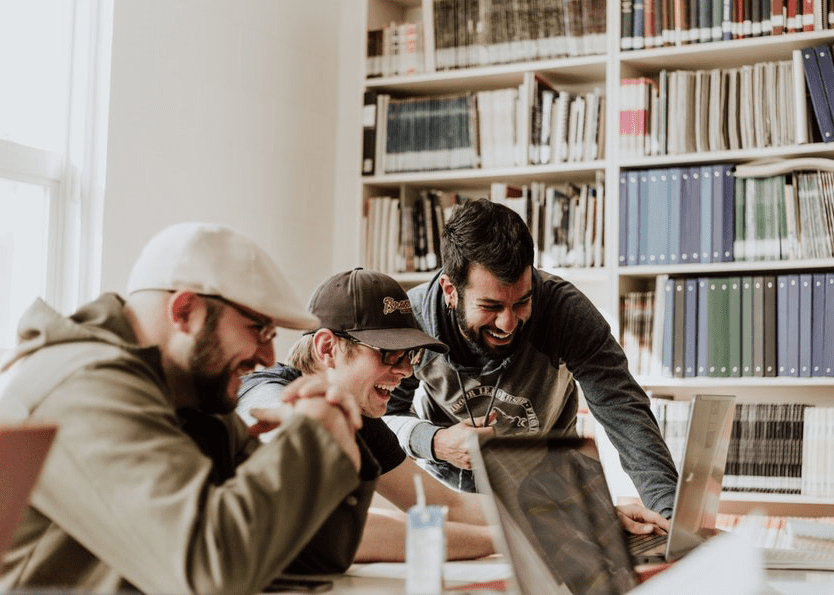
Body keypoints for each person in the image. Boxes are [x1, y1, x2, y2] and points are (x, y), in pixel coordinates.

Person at [0, 222, 376, 595]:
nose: (268, 357)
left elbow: (310, 556)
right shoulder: (83, 388)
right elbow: (209, 572)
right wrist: (313, 438)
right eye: (257, 329)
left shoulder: (192, 396)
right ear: (184, 312)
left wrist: (336, 432)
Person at [383, 198, 680, 519]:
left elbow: (625, 413)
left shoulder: (565, 312)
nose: (507, 323)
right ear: (450, 290)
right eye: (491, 307)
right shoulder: (413, 321)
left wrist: (669, 514)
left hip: (552, 498)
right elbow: (384, 418)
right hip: (454, 503)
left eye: (522, 302)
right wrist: (436, 442)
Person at [236, 267, 496, 562]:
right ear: (327, 348)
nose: (406, 371)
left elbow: (445, 505)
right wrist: (504, 542)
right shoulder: (263, 394)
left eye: (409, 356)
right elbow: (334, 529)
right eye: (389, 353)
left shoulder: (360, 419)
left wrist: (541, 520)